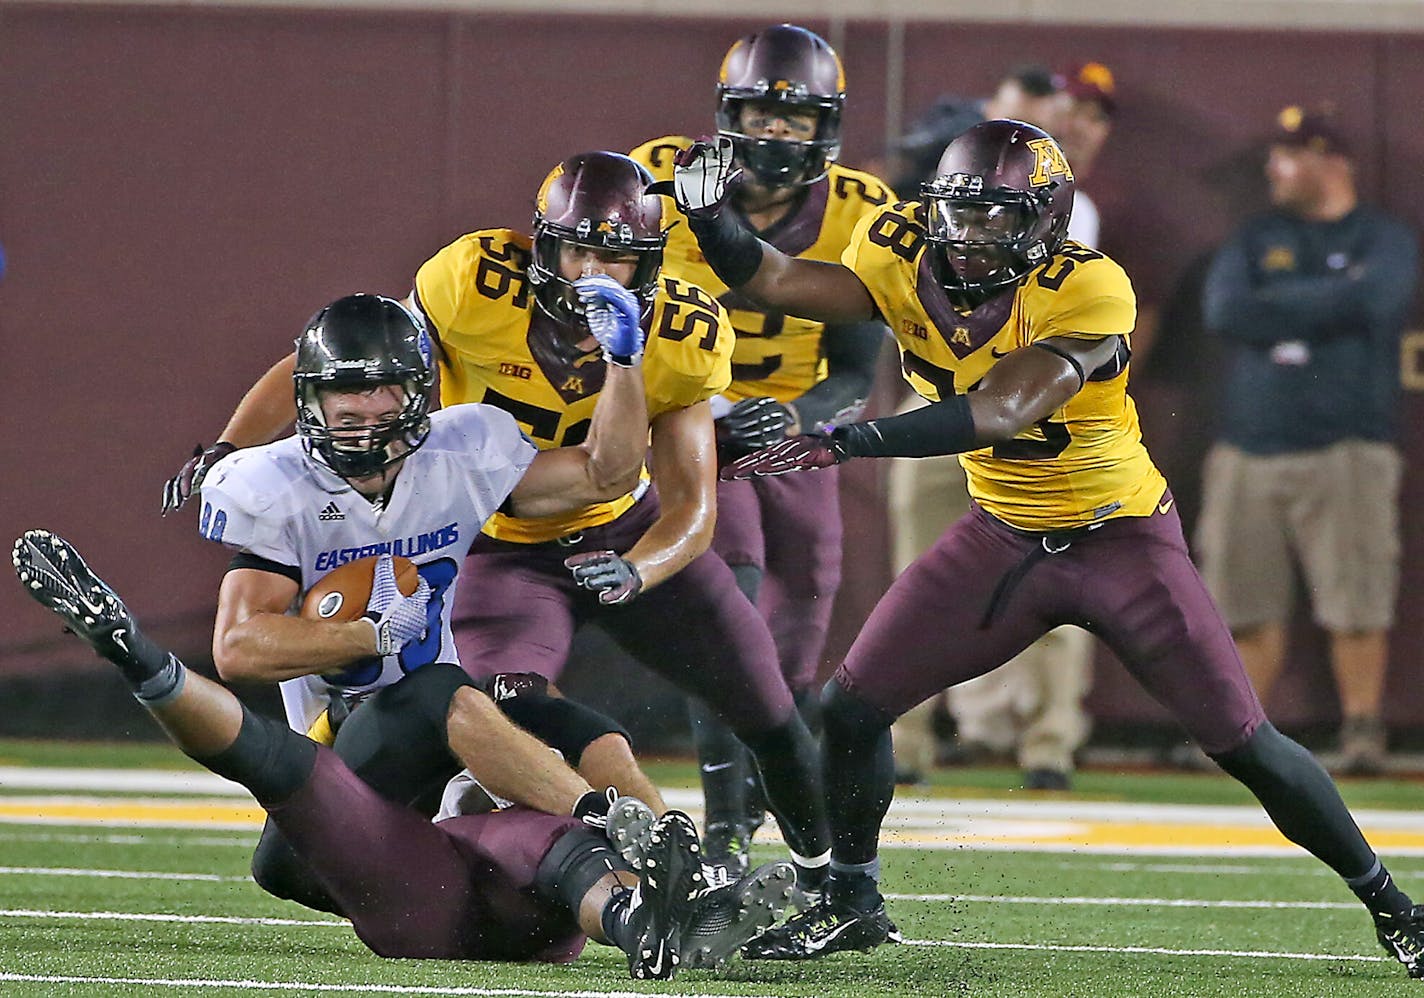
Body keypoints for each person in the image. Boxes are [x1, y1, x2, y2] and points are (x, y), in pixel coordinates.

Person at [659, 119, 1424, 978]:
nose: (975, 239)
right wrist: (711, 217)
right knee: (851, 708)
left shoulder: (1088, 287)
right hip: (1002, 536)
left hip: (1118, 540)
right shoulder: (901, 249)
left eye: (998, 219)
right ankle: (852, 901)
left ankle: (1395, 907)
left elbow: (1003, 409)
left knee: (1240, 739)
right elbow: (777, 277)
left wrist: (849, 441)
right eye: (962, 215)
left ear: (1047, 221)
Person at [159, 151, 834, 900]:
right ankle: (630, 855)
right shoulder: (473, 284)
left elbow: (676, 501)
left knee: (768, 707)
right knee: (509, 709)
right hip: (497, 543)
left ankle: (834, 889)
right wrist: (230, 444)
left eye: (614, 256)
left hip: (621, 527)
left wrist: (640, 551)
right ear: (541, 242)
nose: (590, 272)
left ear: (650, 262)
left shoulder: (683, 329)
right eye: (576, 249)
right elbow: (341, 365)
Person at [12, 529, 797, 979]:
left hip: (504, 906)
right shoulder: (387, 717)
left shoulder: (477, 721)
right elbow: (266, 759)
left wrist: (639, 824)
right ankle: (645, 900)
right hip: (430, 888)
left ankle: (659, 894)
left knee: (530, 776)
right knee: (425, 789)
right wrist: (142, 657)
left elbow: (582, 735)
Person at [188, 290, 670, 913]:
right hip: (341, 759)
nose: (364, 431)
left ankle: (672, 867)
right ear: (309, 404)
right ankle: (600, 816)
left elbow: (607, 474)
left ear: (417, 398)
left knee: (546, 708)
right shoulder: (276, 488)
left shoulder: (460, 454)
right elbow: (236, 649)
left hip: (443, 731)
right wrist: (371, 637)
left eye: (380, 409)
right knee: (433, 689)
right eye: (346, 412)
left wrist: (624, 364)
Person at [631, 22, 891, 873]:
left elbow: (856, 366)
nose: (777, 135)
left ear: (827, 127)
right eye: (760, 115)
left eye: (797, 120)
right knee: (726, 602)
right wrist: (699, 408)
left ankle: (765, 807)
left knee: (794, 636)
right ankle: (725, 831)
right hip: (685, 420)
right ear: (725, 114)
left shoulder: (860, 211)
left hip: (792, 435)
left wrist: (798, 416)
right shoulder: (661, 177)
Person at [884, 64, 1100, 791]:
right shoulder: (925, 221)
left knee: (1067, 576)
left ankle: (1049, 739)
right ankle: (904, 735)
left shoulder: (1076, 225)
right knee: (915, 578)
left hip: (1034, 408)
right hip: (940, 400)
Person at [1197, 105, 1419, 776]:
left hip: (1346, 444)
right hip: (1249, 444)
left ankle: (1360, 728)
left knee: (1357, 599)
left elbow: (1380, 301)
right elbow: (1226, 310)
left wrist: (1282, 302)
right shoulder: (1256, 235)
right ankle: (1241, 734)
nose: (1274, 168)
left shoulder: (1382, 237)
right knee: (1242, 600)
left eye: (1290, 156)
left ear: (1331, 160)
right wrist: (1332, 299)